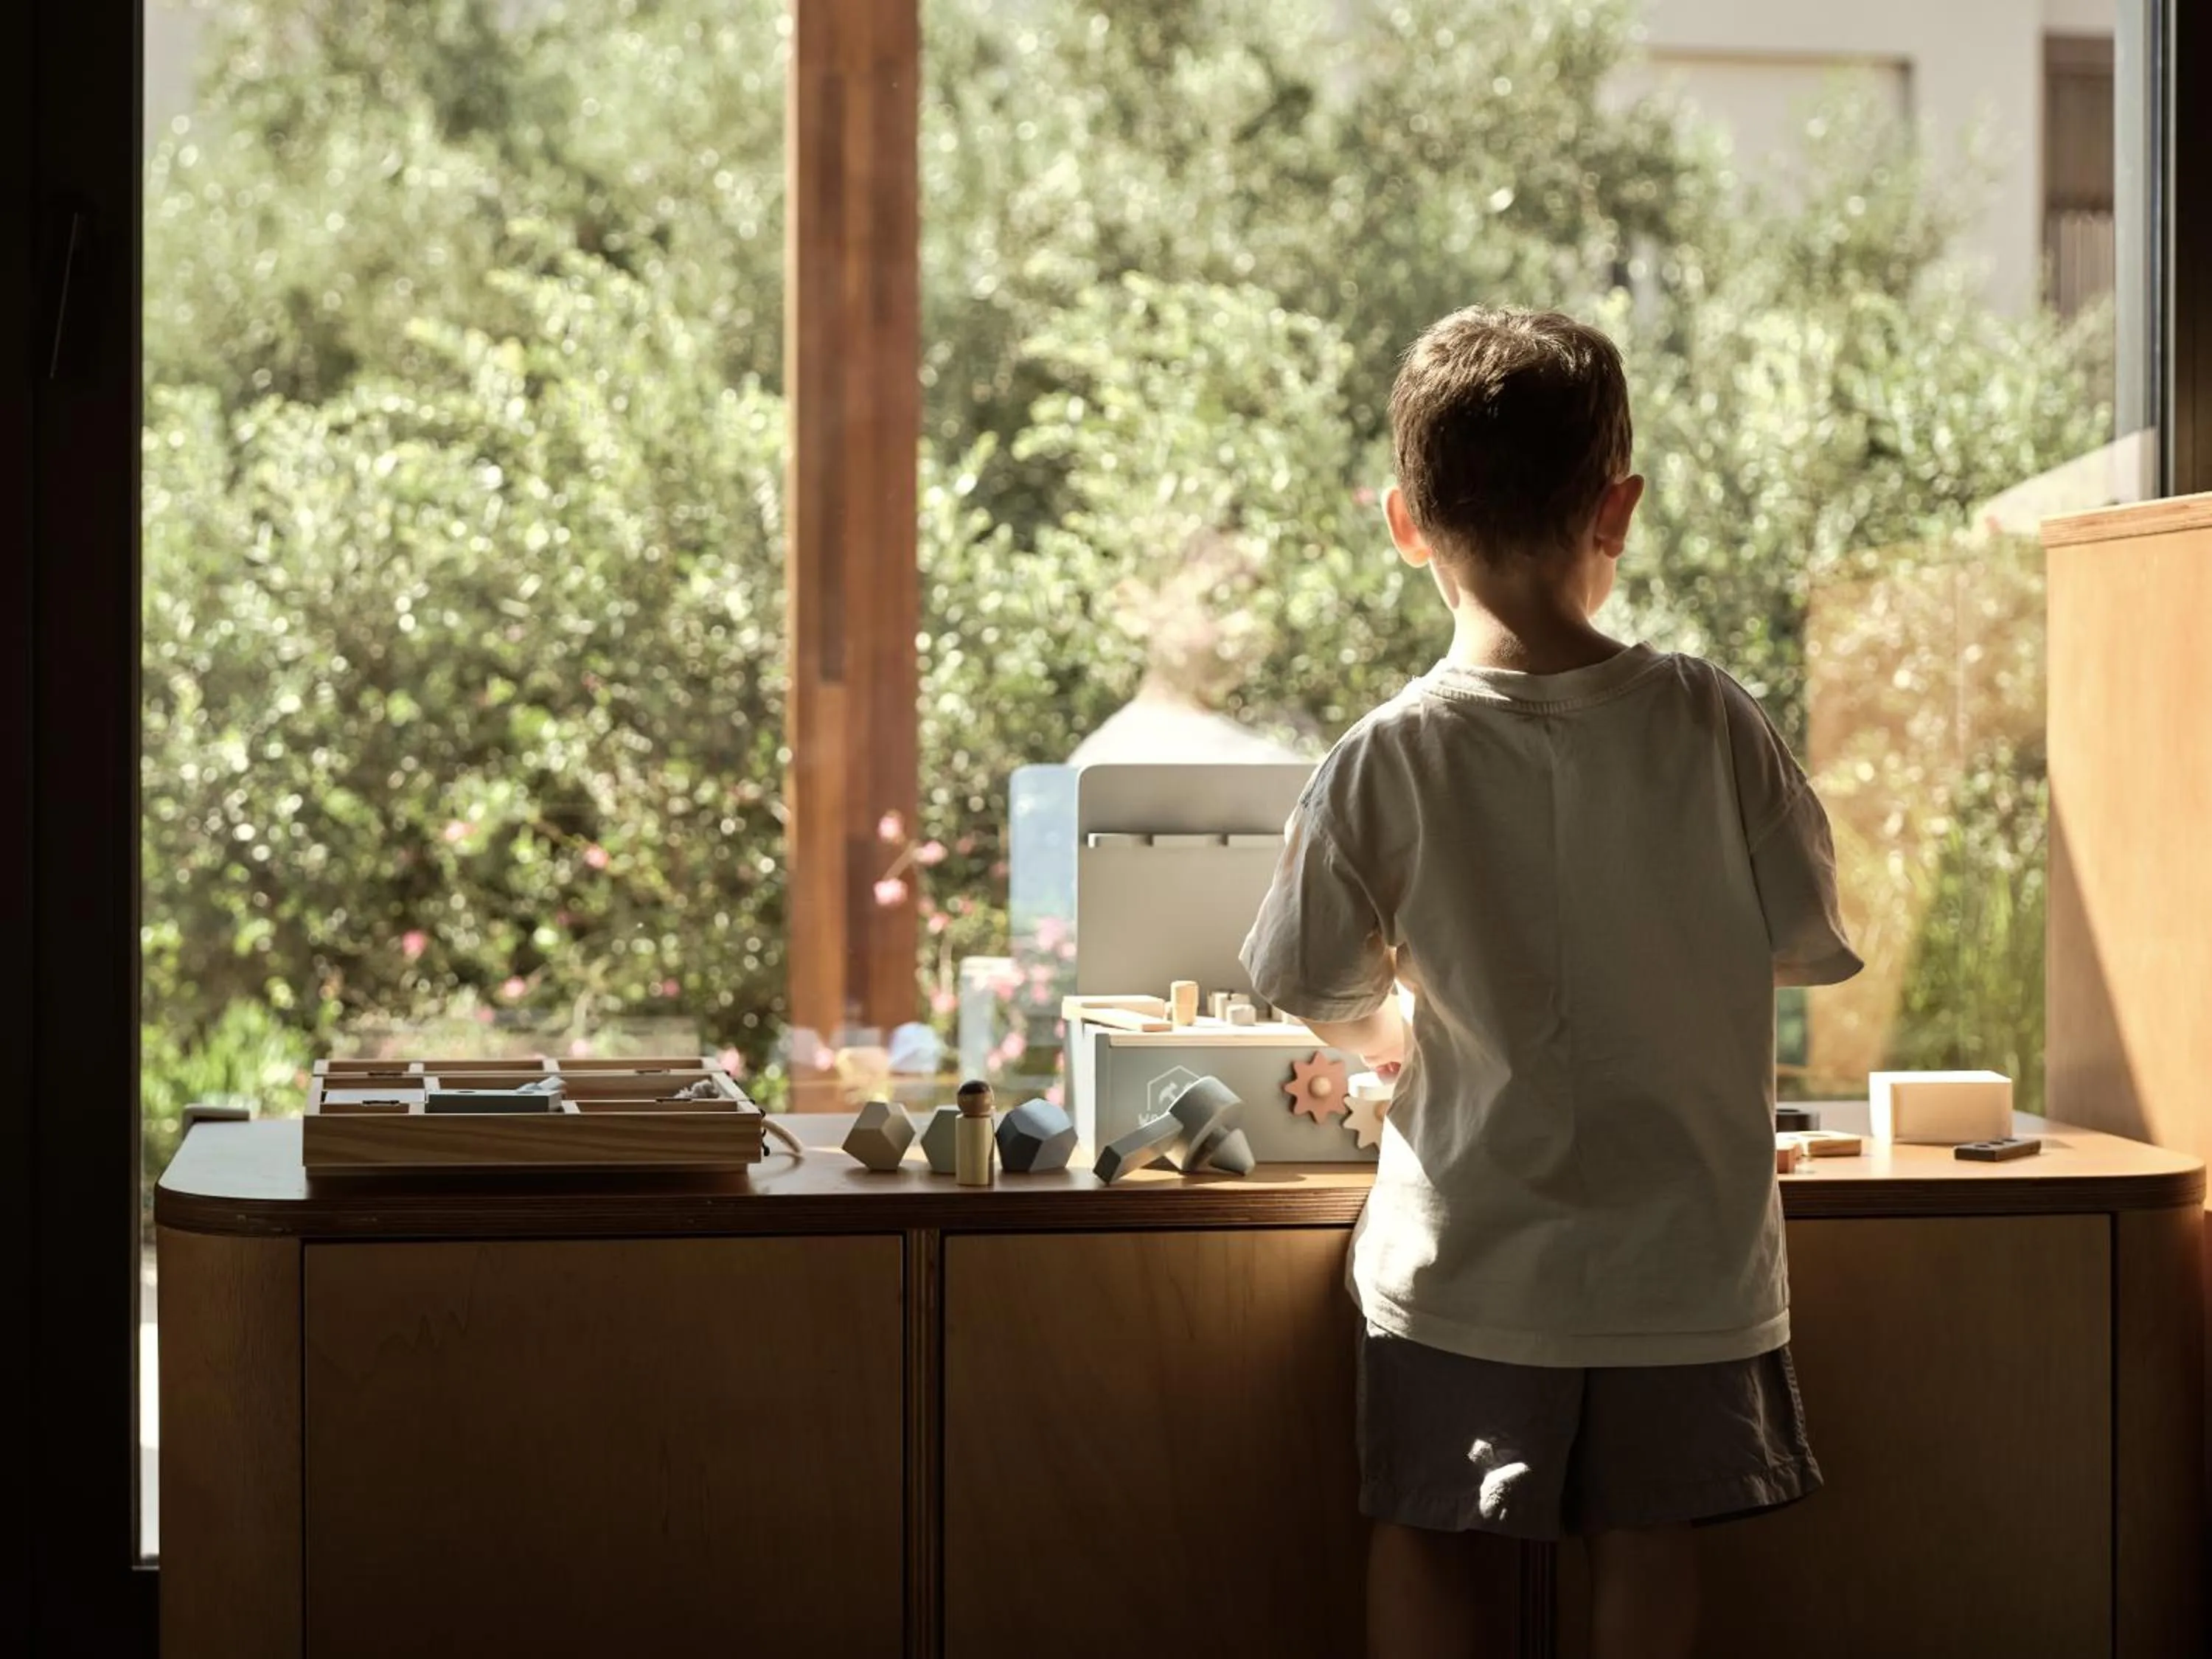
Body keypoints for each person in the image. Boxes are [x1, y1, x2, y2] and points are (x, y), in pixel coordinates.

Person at [1240, 306, 1861, 1659]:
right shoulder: (1713, 719)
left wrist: (1395, 1031)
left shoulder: (1384, 757)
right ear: (1617, 510)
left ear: (1405, 524)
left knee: (1427, 1532)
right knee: (1650, 1546)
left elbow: (1314, 986)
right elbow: (1807, 938)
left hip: (1467, 1255)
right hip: (1686, 1261)